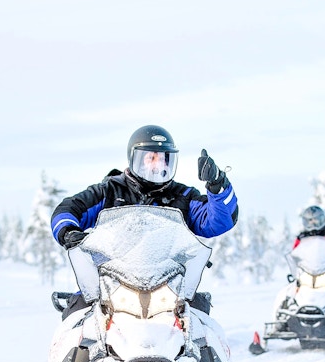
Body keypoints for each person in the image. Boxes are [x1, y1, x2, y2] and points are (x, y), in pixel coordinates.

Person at [51, 124, 239, 317]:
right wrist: (68, 232)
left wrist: (218, 184)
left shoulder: (183, 196)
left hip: (170, 286)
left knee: (203, 325)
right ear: (135, 159)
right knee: (75, 317)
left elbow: (219, 221)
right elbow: (68, 209)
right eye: (151, 158)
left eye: (164, 158)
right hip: (110, 284)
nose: (158, 164)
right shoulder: (110, 191)